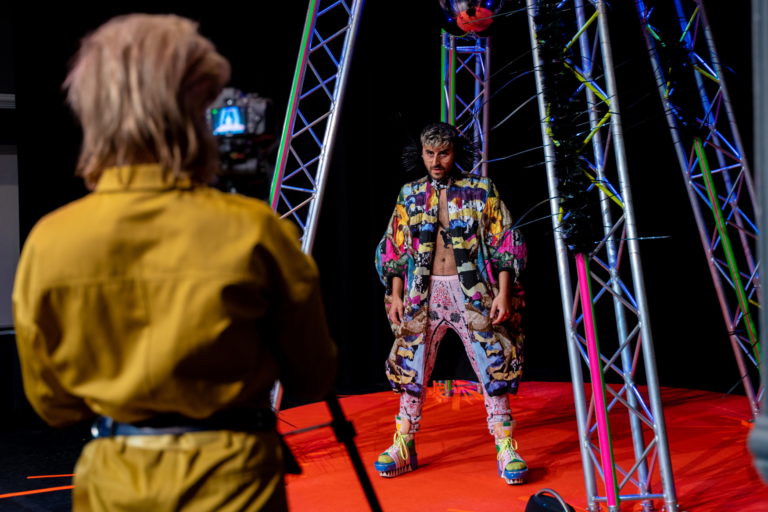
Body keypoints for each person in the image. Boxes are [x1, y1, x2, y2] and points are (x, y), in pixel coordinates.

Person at [12, 14, 336, 511]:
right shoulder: (256, 231)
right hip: (238, 485)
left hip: (112, 486)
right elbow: (313, 376)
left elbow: (53, 405)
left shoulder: (49, 241)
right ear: (198, 111)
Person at [374, 122, 527, 484]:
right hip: (422, 290)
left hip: (470, 290)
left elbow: (504, 240)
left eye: (443, 153)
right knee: (411, 363)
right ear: (421, 153)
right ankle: (403, 443)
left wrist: (504, 292)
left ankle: (506, 445)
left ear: (455, 152)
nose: (436, 161)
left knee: (492, 361)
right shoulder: (410, 193)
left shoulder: (480, 189)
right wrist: (395, 294)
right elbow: (395, 245)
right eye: (430, 153)